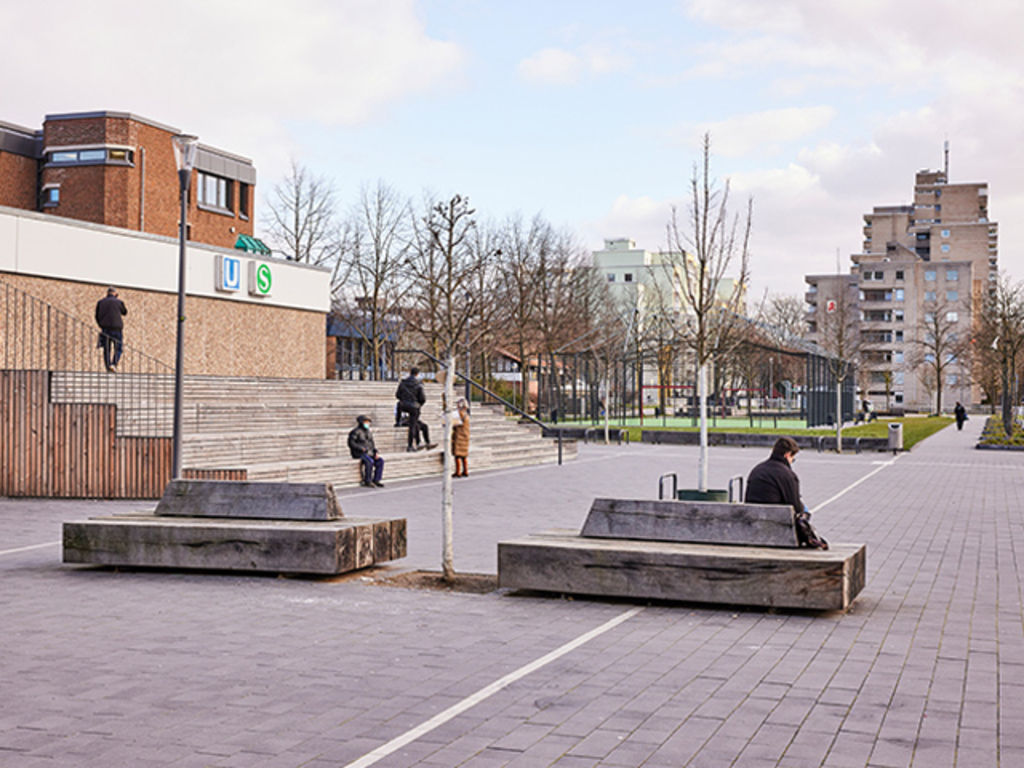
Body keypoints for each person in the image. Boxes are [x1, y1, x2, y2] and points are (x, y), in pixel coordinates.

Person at [745, 436, 827, 549]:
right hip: (778, 531)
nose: (792, 461)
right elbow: (796, 508)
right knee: (804, 513)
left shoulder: (757, 470)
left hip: (753, 527)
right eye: (793, 457)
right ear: (787, 454)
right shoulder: (788, 475)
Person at [396, 366, 436, 452]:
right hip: (414, 407)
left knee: (416, 425)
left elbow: (397, 395)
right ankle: (410, 445)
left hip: (403, 405)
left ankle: (398, 422)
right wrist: (418, 404)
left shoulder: (403, 383)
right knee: (413, 426)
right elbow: (423, 398)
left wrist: (404, 400)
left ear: (410, 373)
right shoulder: (419, 384)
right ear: (417, 374)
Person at [95, 287, 127, 372]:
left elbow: (97, 316)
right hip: (117, 328)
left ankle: (108, 367)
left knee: (107, 349)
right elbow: (124, 312)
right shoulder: (119, 302)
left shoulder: (100, 302)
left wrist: (101, 325)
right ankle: (114, 364)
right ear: (115, 294)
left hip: (105, 328)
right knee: (118, 348)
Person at [347, 414, 384, 488]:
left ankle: (376, 479)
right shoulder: (355, 432)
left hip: (369, 452)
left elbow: (372, 444)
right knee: (369, 461)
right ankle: (367, 480)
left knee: (380, 461)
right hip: (359, 453)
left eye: (368, 422)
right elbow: (351, 443)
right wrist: (361, 448)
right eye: (366, 422)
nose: (367, 424)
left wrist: (375, 452)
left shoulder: (368, 432)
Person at [451, 397, 471, 477]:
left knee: (457, 455)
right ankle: (465, 470)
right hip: (466, 435)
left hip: (459, 435)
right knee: (464, 455)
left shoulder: (459, 413)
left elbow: (453, 423)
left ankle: (458, 471)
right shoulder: (466, 414)